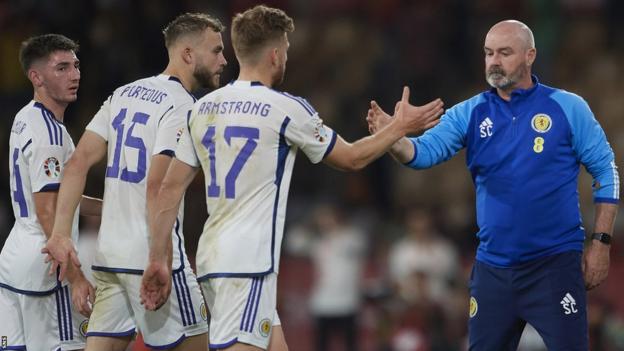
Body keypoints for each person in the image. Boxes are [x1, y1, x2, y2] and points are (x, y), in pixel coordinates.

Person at [140, 5, 443, 351]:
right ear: (274, 54)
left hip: (213, 259)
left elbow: (169, 189)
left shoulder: (202, 108)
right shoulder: (285, 107)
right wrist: (400, 129)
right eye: (285, 49)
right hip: (249, 264)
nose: (286, 57)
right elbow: (351, 158)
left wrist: (157, 258)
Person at [367, 20, 619, 350]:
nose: (494, 61)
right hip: (494, 271)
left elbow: (606, 171)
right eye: (488, 53)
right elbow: (421, 153)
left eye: (504, 52)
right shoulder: (470, 112)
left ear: (530, 56)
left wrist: (600, 243)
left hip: (554, 265)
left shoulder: (568, 107)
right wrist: (392, 136)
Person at [42, 13, 227, 351]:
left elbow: (76, 163)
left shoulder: (123, 94)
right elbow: (158, 187)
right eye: (215, 51)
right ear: (188, 54)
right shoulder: (185, 106)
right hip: (151, 258)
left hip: (110, 257)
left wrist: (60, 233)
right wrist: (159, 258)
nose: (223, 60)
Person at [0, 33, 100, 351]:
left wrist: (113, 207)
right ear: (36, 77)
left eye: (76, 66)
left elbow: (61, 199)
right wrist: (75, 276)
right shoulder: (50, 135)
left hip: (15, 260)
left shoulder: (24, 117)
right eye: (61, 68)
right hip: (46, 268)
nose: (74, 75)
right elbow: (48, 212)